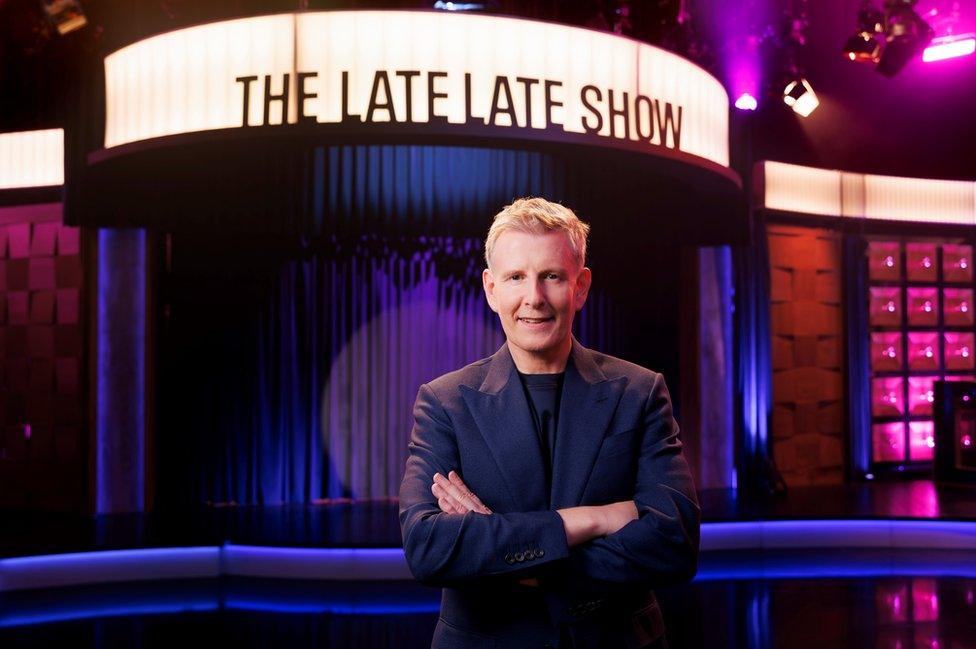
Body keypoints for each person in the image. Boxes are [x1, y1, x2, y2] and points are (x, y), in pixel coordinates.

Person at [399, 197, 700, 648]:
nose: (534, 298)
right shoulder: (444, 402)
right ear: (490, 288)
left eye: (552, 277)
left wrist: (506, 557)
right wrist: (592, 520)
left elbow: (674, 543)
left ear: (580, 287)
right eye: (516, 277)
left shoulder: (640, 391)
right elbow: (428, 548)